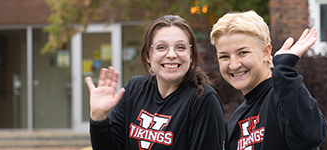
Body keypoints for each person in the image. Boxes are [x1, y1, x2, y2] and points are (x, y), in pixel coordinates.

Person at [86, 15, 224, 150]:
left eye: (181, 47)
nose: (171, 54)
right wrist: (98, 116)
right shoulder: (135, 89)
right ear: (148, 55)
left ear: (191, 55)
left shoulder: (203, 99)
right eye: (161, 47)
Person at [210, 11, 327, 150]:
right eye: (224, 56)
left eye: (243, 53)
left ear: (266, 53)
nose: (234, 65)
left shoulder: (283, 95)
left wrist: (284, 71)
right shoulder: (235, 120)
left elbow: (312, 135)